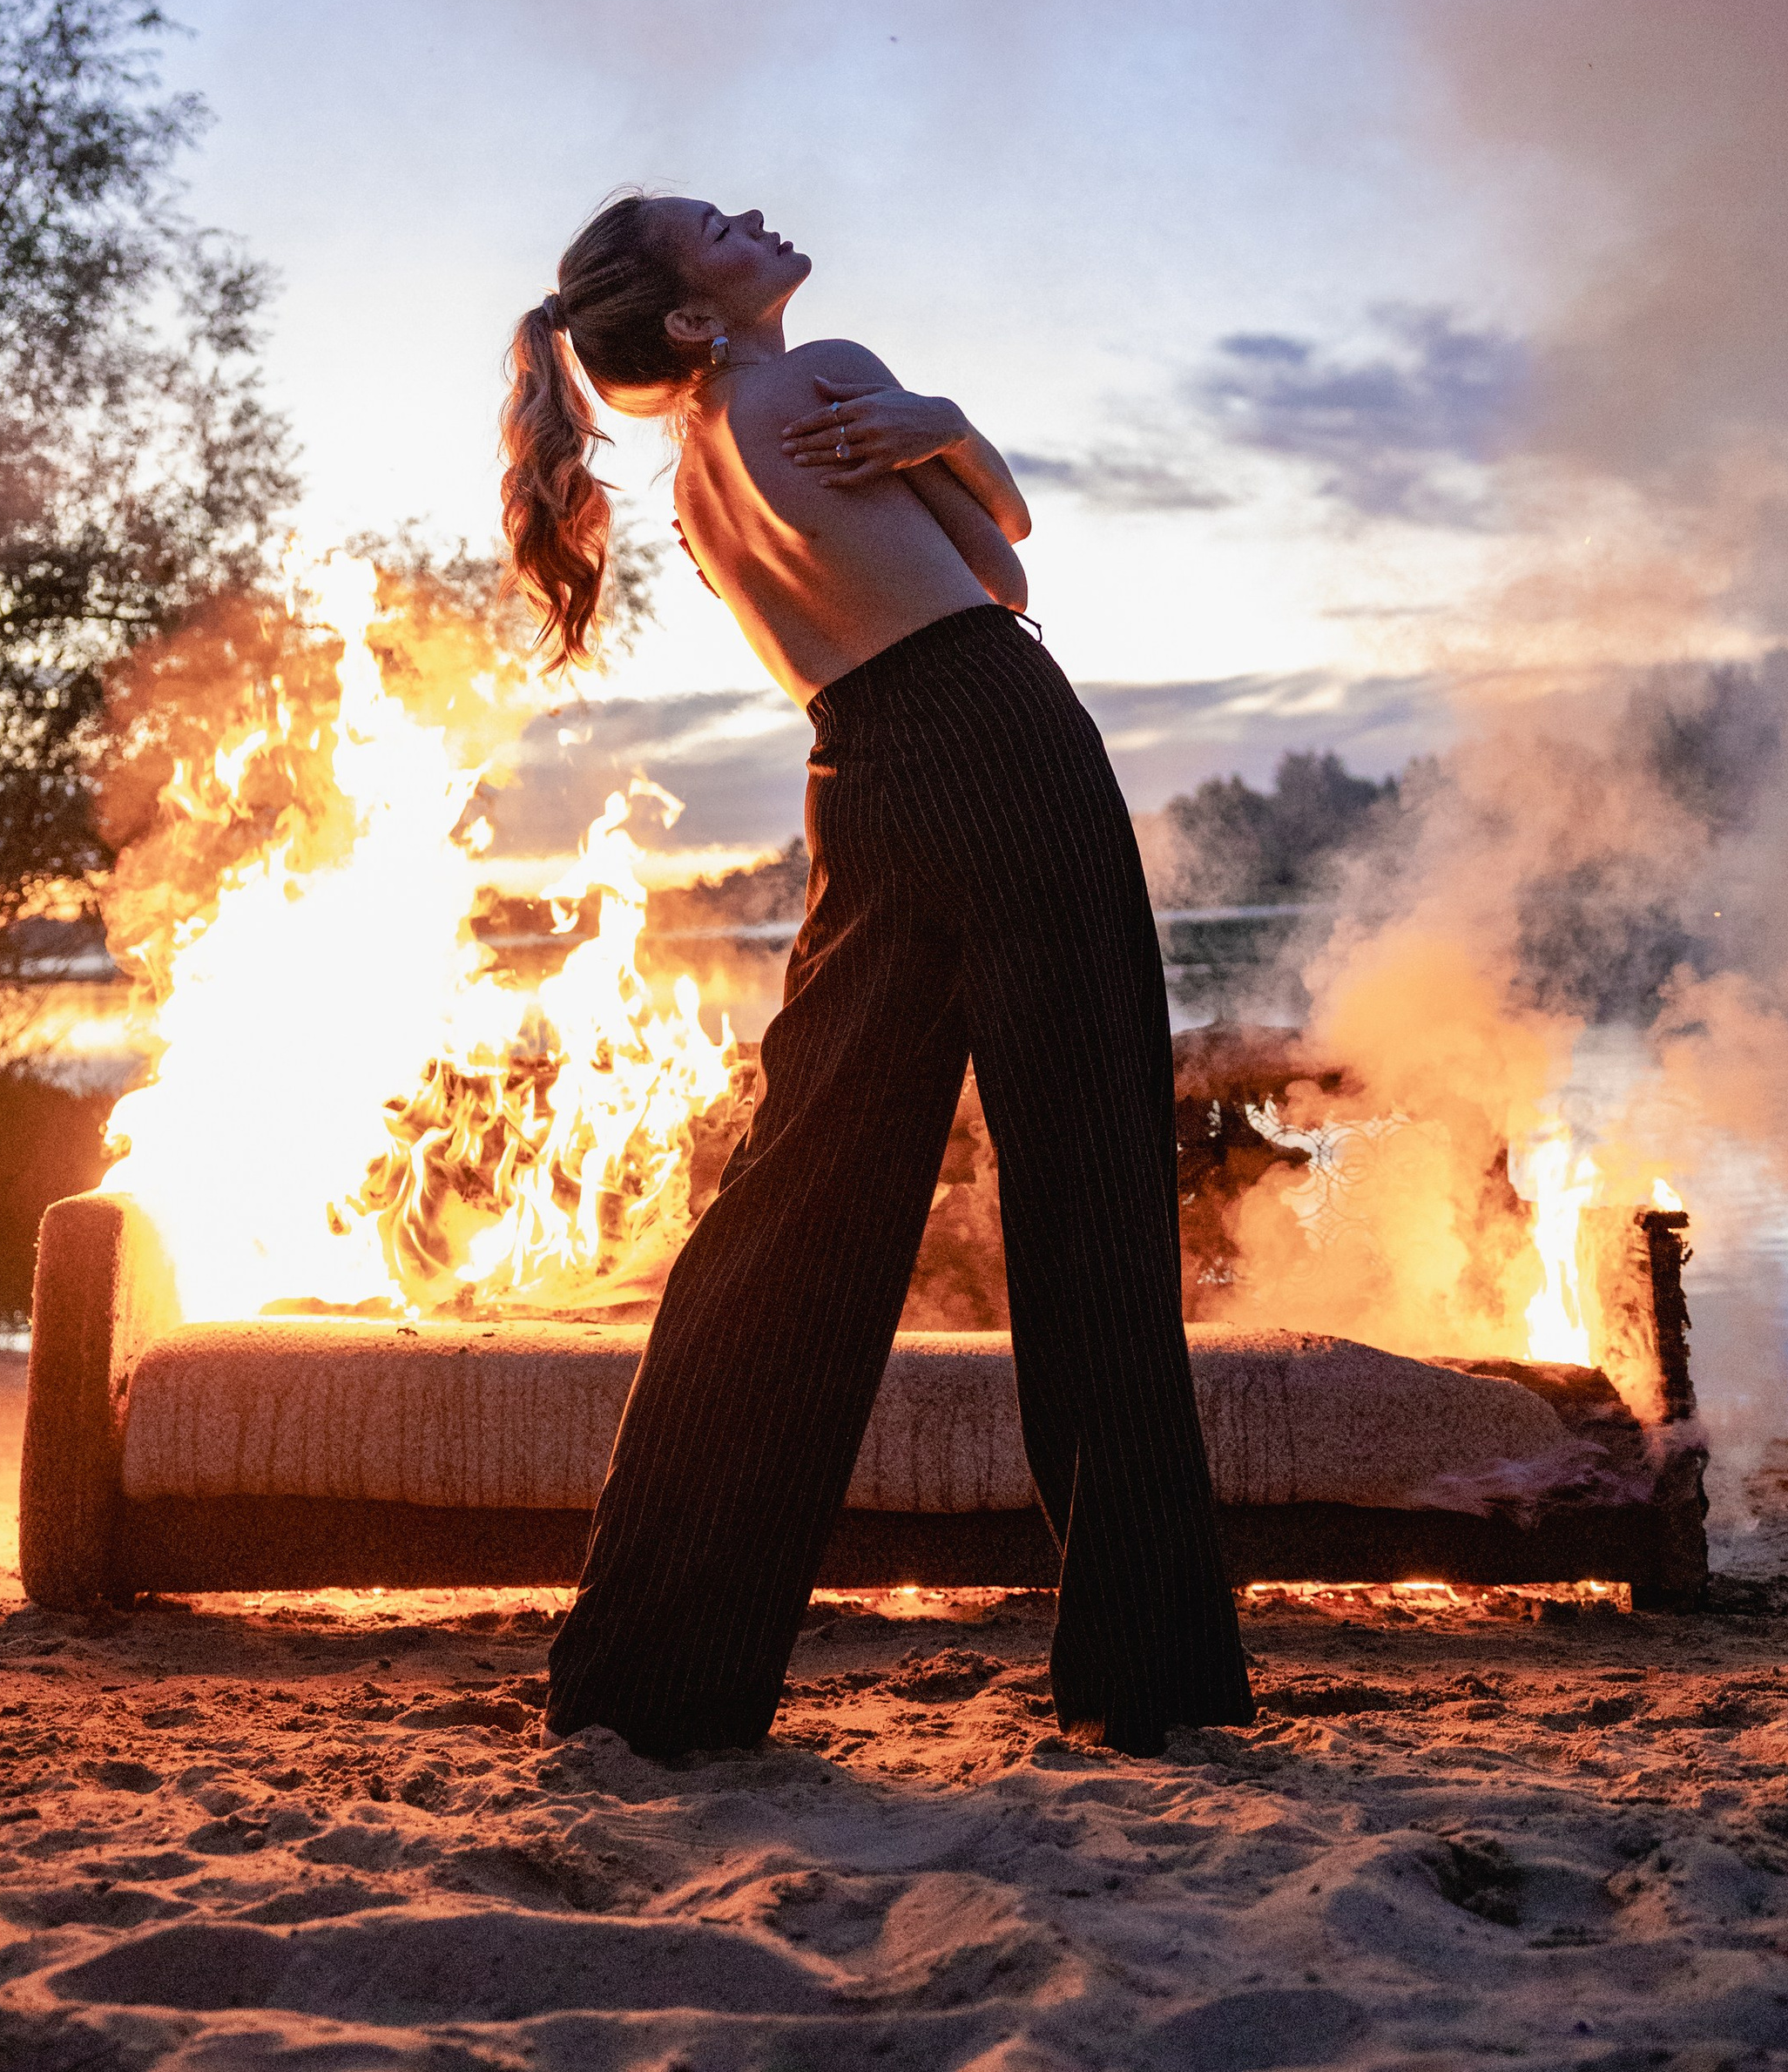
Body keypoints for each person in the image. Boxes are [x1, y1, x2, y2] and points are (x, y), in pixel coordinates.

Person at [500, 188, 1252, 1756]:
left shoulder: (702, 481)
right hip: (999, 739)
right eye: (718, 220)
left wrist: (935, 433)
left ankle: (654, 1677)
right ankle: (1150, 1679)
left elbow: (966, 566)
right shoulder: (823, 365)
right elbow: (1005, 573)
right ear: (693, 315)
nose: (757, 212)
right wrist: (950, 424)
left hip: (864, 775)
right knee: (1091, 1194)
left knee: (798, 1211)